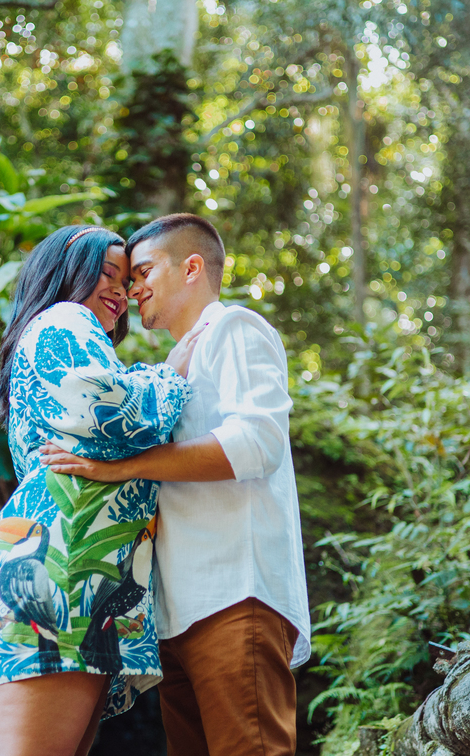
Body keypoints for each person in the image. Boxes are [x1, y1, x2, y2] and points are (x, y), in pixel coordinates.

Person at [40, 213, 311, 756]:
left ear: (192, 268)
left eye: (142, 272)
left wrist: (126, 466)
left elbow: (257, 442)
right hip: (176, 617)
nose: (131, 288)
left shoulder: (234, 327)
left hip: (236, 594)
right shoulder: (171, 369)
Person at [0, 224, 202, 756]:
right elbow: (111, 413)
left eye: (128, 279)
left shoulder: (70, 336)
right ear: (67, 272)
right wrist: (170, 375)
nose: (121, 292)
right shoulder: (62, 319)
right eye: (109, 274)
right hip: (54, 570)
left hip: (80, 580)